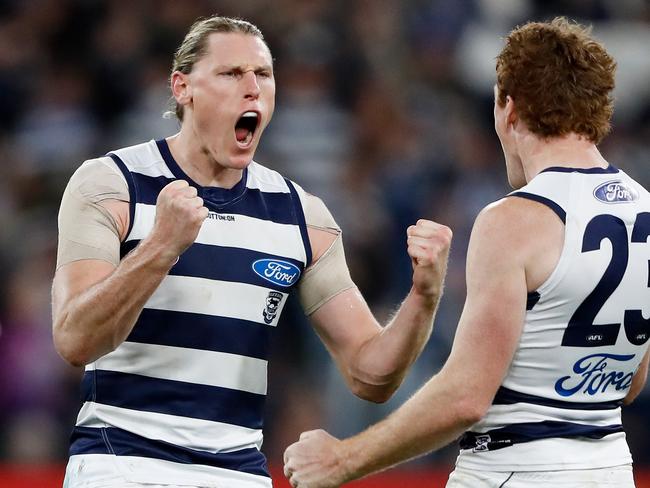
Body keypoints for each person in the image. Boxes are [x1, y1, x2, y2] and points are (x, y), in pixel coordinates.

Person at [51, 15, 452, 488]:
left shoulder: (303, 216)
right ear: (182, 87)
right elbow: (75, 340)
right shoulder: (110, 184)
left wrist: (423, 299)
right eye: (230, 74)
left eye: (263, 74)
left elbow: (371, 374)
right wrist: (160, 248)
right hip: (123, 462)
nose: (252, 89)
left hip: (238, 471)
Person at [283, 17, 650, 488]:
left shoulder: (513, 220)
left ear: (508, 108)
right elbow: (630, 382)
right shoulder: (643, 208)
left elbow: (466, 398)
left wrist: (344, 458)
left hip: (514, 468)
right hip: (609, 468)